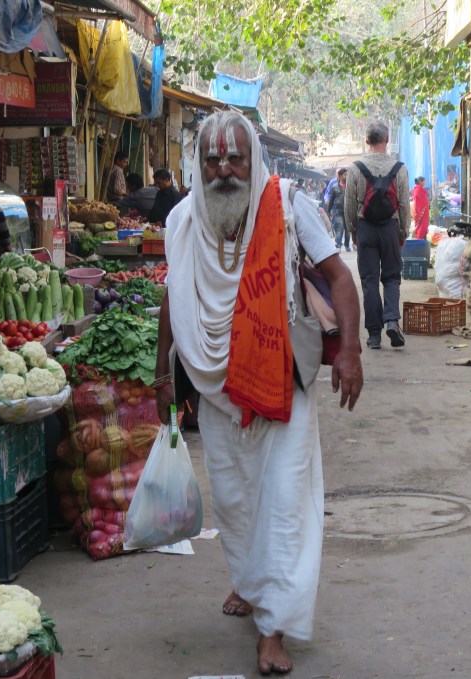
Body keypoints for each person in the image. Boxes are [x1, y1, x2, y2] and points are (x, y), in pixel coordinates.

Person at [155, 110, 362, 675]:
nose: (224, 170)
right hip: (215, 386)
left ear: (254, 159)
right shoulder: (182, 220)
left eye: (235, 158)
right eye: (212, 159)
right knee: (234, 500)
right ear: (198, 164)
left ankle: (273, 628)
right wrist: (162, 374)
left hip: (283, 381)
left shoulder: (289, 205)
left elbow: (339, 276)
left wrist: (350, 351)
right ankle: (250, 582)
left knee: (283, 502)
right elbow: (175, 296)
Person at [344, 121, 411, 350]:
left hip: (366, 228)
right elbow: (404, 204)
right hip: (390, 227)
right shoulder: (399, 168)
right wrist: (403, 231)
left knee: (369, 281)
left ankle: (374, 336)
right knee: (392, 277)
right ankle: (392, 320)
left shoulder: (356, 168)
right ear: (387, 140)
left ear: (366, 141)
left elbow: (349, 204)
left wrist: (353, 231)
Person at [326, 167, 349, 252]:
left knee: (348, 229)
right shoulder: (334, 187)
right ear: (340, 176)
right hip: (338, 210)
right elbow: (331, 200)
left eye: (347, 174)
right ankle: (338, 245)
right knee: (340, 227)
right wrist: (328, 211)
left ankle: (347, 245)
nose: (347, 176)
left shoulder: (350, 186)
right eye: (345, 174)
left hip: (348, 211)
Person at [411, 176, 430, 240]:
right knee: (423, 225)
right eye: (424, 181)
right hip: (421, 210)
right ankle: (419, 239)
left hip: (422, 209)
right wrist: (426, 204)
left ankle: (421, 238)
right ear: (420, 182)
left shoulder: (418, 189)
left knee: (423, 225)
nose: (425, 182)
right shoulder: (418, 189)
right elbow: (419, 199)